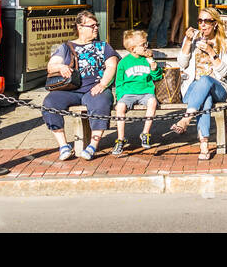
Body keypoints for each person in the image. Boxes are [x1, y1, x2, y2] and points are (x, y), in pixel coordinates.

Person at [43, 10, 119, 161]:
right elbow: (51, 66)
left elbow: (112, 65)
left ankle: (92, 146)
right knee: (50, 102)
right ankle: (63, 146)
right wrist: (61, 67)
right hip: (71, 89)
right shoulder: (66, 46)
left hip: (95, 88)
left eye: (97, 25)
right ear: (80, 27)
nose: (96, 28)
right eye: (92, 26)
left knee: (101, 102)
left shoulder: (103, 46)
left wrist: (103, 84)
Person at [169, 7, 227, 160]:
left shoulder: (224, 43)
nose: (202, 25)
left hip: (217, 88)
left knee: (205, 80)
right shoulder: (192, 39)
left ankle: (186, 119)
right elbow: (182, 64)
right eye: (200, 21)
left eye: (207, 21)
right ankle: (204, 145)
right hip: (192, 90)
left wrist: (211, 52)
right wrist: (188, 41)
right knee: (206, 100)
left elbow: (224, 73)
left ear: (215, 24)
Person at [112, 29, 162, 155]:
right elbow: (119, 82)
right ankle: (121, 138)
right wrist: (120, 97)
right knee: (120, 107)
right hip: (128, 93)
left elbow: (157, 77)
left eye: (147, 43)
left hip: (146, 91)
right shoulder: (124, 62)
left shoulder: (147, 59)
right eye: (143, 45)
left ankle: (145, 133)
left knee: (152, 102)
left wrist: (154, 67)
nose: (146, 46)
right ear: (133, 49)